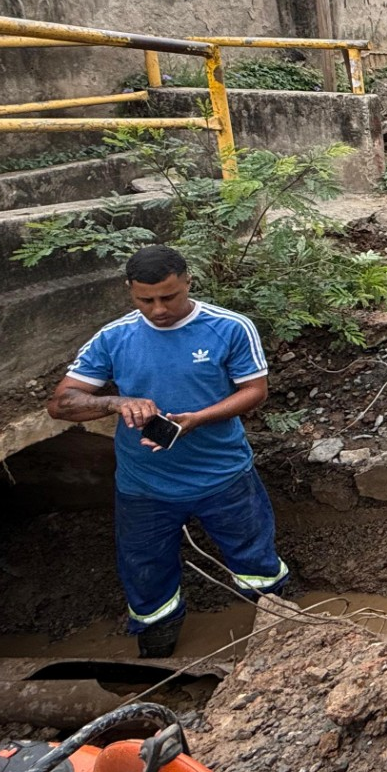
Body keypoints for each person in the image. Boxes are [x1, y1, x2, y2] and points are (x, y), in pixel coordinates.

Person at [46, 244, 289, 658]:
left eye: (168, 297)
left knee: (255, 559)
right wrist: (114, 402)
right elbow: (60, 404)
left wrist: (196, 419)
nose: (158, 309)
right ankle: (158, 649)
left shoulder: (230, 328)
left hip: (224, 477)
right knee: (146, 574)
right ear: (130, 291)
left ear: (187, 283)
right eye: (145, 300)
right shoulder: (114, 337)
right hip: (144, 487)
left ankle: (283, 635)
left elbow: (254, 392)